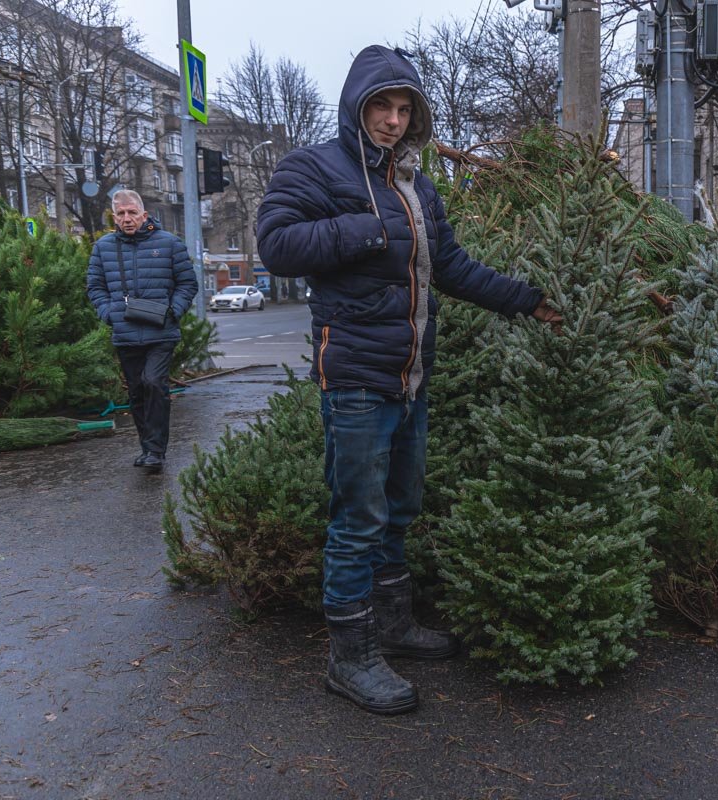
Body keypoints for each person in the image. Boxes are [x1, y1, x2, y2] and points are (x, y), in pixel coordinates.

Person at [256, 46, 561, 716]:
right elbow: (275, 244)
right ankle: (350, 658)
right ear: (358, 105)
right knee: (357, 519)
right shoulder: (314, 167)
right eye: (382, 107)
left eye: (404, 110)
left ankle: (392, 625)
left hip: (410, 378)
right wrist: (362, 232)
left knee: (398, 508)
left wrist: (523, 298)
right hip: (356, 379)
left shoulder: (418, 185)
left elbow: (449, 265)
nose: (393, 121)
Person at [87, 189, 198, 474]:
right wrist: (107, 312)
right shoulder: (103, 247)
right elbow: (95, 287)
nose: (127, 218)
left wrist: (173, 311)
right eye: (121, 214)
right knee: (136, 391)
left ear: (144, 214)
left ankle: (156, 451)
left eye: (132, 212)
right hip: (125, 332)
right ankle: (147, 447)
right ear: (114, 217)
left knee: (153, 383)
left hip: (161, 331)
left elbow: (187, 283)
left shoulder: (170, 244)